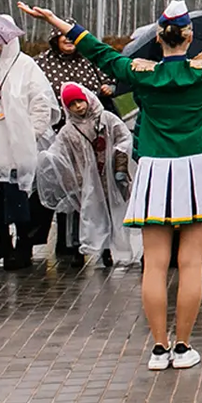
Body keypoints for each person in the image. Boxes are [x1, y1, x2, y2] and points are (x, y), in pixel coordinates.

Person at [17, 0, 202, 372]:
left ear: (159, 37)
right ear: (187, 35)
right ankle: (183, 346)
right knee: (190, 264)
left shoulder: (138, 70)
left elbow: (96, 50)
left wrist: (56, 21)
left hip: (155, 171)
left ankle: (158, 347)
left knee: (154, 264)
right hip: (199, 167)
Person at [0, 30, 57, 270]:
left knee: (19, 198)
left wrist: (30, 135)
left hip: (18, 147)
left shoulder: (27, 66)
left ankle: (23, 244)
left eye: (1, 40)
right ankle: (3, 242)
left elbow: (41, 103)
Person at [36, 82, 133, 267]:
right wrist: (49, 159)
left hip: (108, 176)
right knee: (86, 216)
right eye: (72, 104)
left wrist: (119, 160)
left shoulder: (106, 119)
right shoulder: (69, 130)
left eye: (79, 101)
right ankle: (82, 249)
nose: (78, 107)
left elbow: (123, 137)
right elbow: (60, 151)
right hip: (83, 181)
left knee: (108, 215)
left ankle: (107, 250)